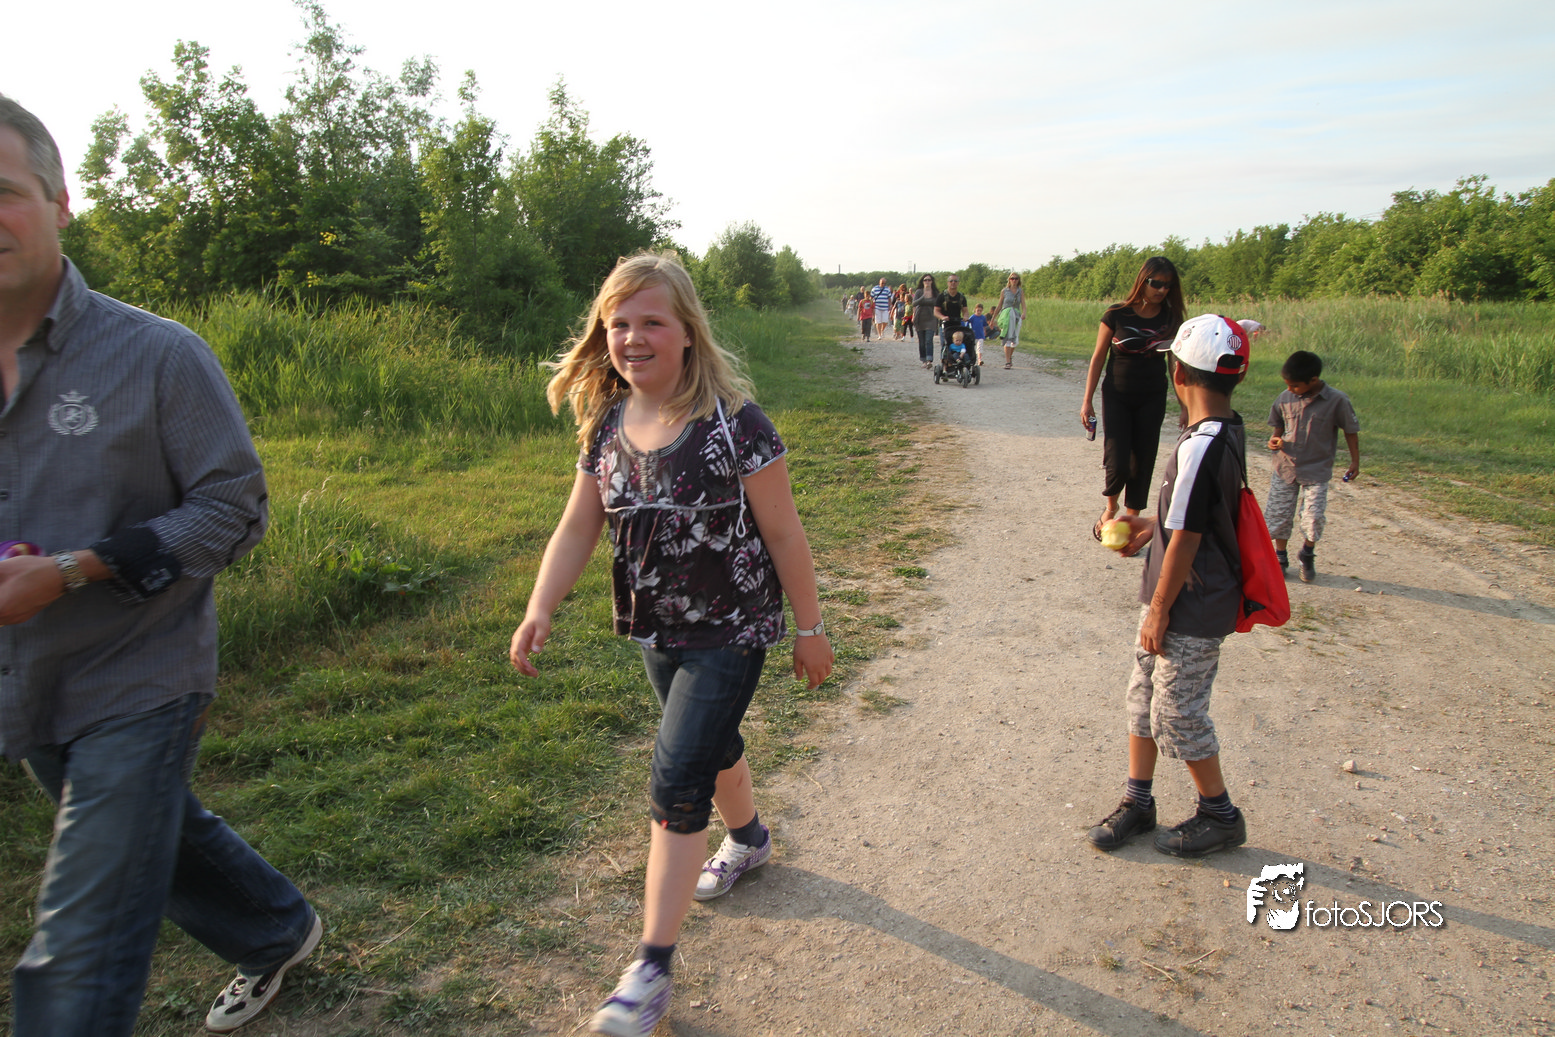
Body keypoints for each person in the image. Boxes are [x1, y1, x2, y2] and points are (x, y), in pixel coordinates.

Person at [0, 95, 320, 1037]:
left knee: (79, 936)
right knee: (150, 823)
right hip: (26, 682)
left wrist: (72, 569)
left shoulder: (154, 354)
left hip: (140, 671)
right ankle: (276, 927)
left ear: (60, 202)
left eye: (2, 193)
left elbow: (234, 509)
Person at [509, 252, 833, 1037]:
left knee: (677, 775)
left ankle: (650, 970)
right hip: (656, 626)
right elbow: (578, 524)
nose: (632, 337)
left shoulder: (734, 424)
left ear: (687, 330)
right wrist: (540, 604)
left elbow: (784, 532)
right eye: (617, 323)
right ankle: (748, 839)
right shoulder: (606, 424)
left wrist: (810, 627)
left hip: (733, 628)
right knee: (709, 745)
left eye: (650, 321)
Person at [1086, 314, 1252, 858]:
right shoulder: (1223, 430)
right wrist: (1150, 526)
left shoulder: (1199, 445)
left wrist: (1159, 609)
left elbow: (1189, 537)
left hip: (1190, 601)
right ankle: (1138, 801)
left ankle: (1220, 815)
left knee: (1177, 712)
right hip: (1178, 591)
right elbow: (1194, 517)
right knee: (1143, 698)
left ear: (1177, 374)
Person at [1080, 257, 1186, 540]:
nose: (1162, 290)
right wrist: (1087, 400)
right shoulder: (1117, 314)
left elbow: (1174, 364)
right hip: (1117, 395)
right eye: (1156, 283)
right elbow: (1098, 357)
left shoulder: (1171, 319)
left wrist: (1184, 405)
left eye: (1168, 285)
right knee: (1118, 458)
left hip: (1152, 396)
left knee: (1144, 456)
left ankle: (1132, 520)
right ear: (1143, 280)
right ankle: (1111, 508)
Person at [1264, 350, 1360, 583]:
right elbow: (1278, 426)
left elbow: (1350, 430)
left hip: (1316, 470)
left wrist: (1355, 460)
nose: (1289, 389)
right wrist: (1274, 440)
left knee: (1314, 516)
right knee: (1279, 515)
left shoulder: (1337, 401)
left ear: (1314, 380)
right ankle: (1280, 556)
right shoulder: (1285, 398)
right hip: (1285, 467)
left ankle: (1307, 553)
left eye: (1295, 385)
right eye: (1287, 385)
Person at [994, 272, 1026, 370]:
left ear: (1018, 280)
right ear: (1009, 280)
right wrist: (993, 319)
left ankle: (1009, 356)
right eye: (1012, 278)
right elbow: (999, 305)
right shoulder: (1004, 291)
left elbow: (1023, 304)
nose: (1014, 280)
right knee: (1007, 338)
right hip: (1006, 316)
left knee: (1015, 340)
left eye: (1016, 278)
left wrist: (1024, 313)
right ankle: (1008, 361)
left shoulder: (1020, 291)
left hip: (1016, 315)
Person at [912, 273, 940, 369]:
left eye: (929, 280)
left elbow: (938, 303)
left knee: (929, 340)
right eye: (925, 280)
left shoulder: (935, 292)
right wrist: (923, 297)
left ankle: (929, 360)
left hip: (931, 318)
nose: (927, 281)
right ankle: (923, 360)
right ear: (922, 282)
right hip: (920, 318)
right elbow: (914, 303)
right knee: (922, 341)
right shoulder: (919, 292)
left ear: (932, 281)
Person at [934, 273, 969, 351]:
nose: (953, 282)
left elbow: (965, 311)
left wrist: (966, 317)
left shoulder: (961, 297)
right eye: (951, 281)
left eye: (955, 281)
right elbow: (936, 311)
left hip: (957, 325)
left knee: (958, 344)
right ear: (948, 283)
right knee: (945, 345)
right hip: (945, 324)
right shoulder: (941, 296)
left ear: (958, 283)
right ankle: (945, 358)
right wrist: (942, 317)